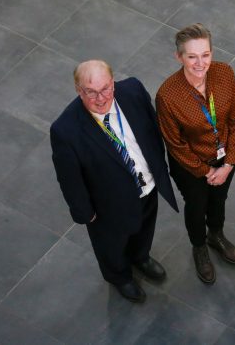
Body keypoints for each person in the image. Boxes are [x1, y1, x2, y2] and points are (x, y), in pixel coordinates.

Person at [51, 60, 178, 303]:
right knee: (111, 244)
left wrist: (159, 168)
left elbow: (152, 127)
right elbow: (69, 178)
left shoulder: (133, 90)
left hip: (147, 185)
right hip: (107, 205)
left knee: (145, 226)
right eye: (91, 92)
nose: (101, 98)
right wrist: (85, 213)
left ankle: (140, 257)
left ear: (113, 83)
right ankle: (119, 276)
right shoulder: (65, 130)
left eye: (106, 89)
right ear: (79, 90)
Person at [156, 23, 235, 284]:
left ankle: (215, 235)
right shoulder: (167, 95)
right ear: (179, 57)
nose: (200, 63)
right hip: (190, 166)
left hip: (224, 157)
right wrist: (207, 171)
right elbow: (176, 145)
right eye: (192, 56)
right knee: (197, 207)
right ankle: (199, 247)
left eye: (205, 55)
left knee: (219, 199)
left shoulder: (225, 73)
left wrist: (228, 163)